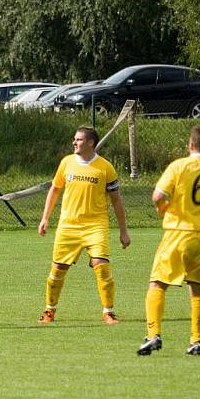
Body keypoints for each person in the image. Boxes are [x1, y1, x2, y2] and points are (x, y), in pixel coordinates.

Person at [137, 125, 200, 356]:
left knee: (157, 283)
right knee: (198, 290)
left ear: (190, 145)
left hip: (179, 233)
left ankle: (153, 334)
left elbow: (158, 196)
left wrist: (163, 209)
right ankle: (197, 341)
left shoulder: (179, 166)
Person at [37, 125, 130, 324]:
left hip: (96, 226)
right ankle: (49, 311)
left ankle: (108, 312)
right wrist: (45, 218)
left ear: (91, 143)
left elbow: (116, 200)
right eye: (74, 139)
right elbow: (54, 190)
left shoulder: (105, 167)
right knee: (56, 271)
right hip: (68, 226)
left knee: (102, 267)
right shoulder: (66, 163)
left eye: (79, 139)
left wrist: (123, 231)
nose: (74, 142)